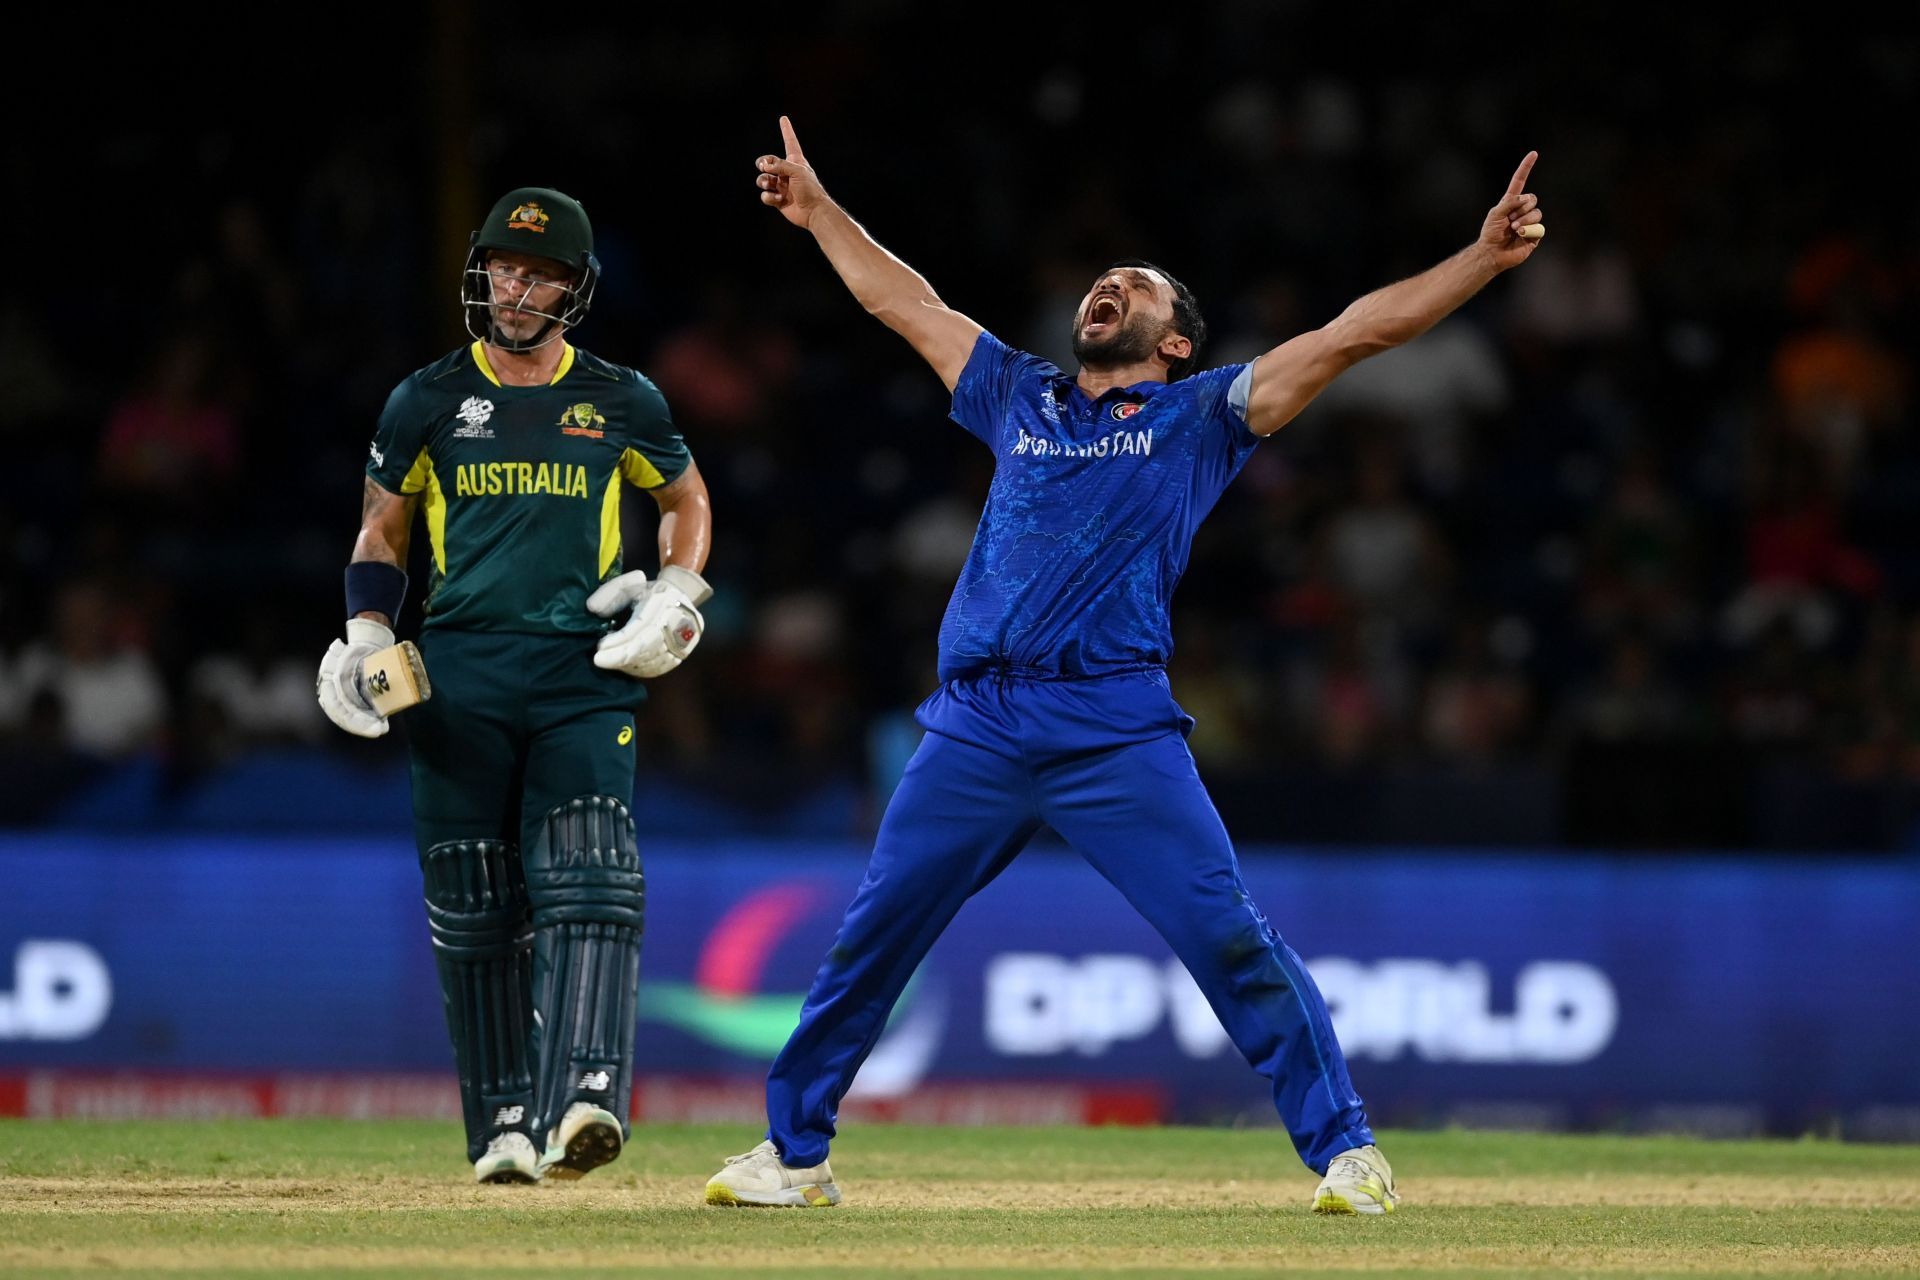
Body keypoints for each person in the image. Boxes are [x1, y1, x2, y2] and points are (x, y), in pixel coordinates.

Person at [704, 119, 1545, 1215]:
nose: (1107, 289)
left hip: (1113, 727)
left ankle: (1346, 1150)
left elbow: (1353, 334)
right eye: (1101, 282)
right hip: (976, 725)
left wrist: (1482, 256)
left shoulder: (1202, 417)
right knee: (871, 939)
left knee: (1230, 937)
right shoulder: (1021, 394)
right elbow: (903, 302)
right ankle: (794, 1153)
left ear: (1177, 340)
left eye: (1133, 287)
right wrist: (818, 211)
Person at [315, 187, 714, 1184]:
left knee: (591, 877)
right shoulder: (428, 398)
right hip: (456, 670)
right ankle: (501, 1124)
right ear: (482, 272)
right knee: (473, 899)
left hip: (582, 668)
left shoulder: (622, 397)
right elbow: (382, 529)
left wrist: (675, 587)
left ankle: (583, 1095)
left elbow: (687, 498)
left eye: (539, 272)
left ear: (573, 287)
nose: (516, 285)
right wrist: (367, 629)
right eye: (503, 265)